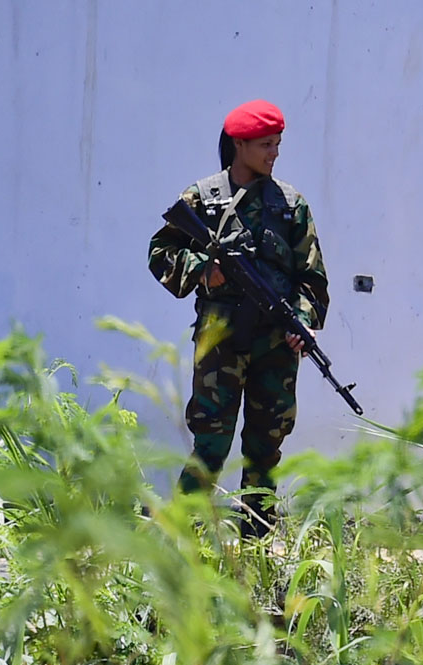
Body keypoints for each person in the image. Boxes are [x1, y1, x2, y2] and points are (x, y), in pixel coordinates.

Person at [147, 99, 328, 537]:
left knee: (265, 448)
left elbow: (313, 281)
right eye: (266, 144)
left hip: (274, 345)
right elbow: (160, 252)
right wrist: (204, 272)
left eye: (278, 144)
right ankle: (179, 536)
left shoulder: (291, 205)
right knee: (210, 445)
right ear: (239, 145)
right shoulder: (203, 200)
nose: (274, 153)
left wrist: (300, 324)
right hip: (221, 342)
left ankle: (257, 540)